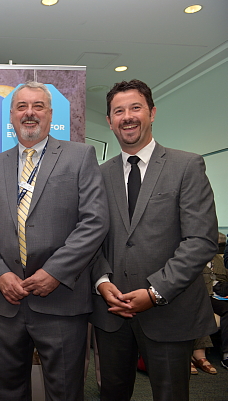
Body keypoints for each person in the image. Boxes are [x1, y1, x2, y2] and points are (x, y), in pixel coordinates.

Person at [0, 81, 109, 401]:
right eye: (22, 106)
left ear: (50, 114)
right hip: (7, 301)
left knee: (65, 391)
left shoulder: (80, 155)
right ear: (11, 116)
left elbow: (95, 221)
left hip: (61, 300)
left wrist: (55, 273)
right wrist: (0, 274)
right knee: (10, 390)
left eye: (38, 106)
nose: (29, 113)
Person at [90, 79, 218, 401]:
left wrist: (155, 292)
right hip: (112, 312)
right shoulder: (97, 175)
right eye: (118, 111)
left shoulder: (186, 165)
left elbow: (200, 240)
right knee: (111, 394)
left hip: (169, 312)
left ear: (152, 113)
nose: (127, 116)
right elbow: (89, 237)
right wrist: (102, 282)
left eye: (135, 108)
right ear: (109, 121)